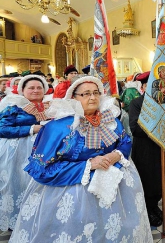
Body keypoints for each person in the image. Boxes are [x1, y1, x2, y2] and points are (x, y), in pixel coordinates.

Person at [9, 76, 152, 242]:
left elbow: (124, 141)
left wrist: (116, 154)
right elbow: (42, 169)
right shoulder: (59, 127)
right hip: (72, 192)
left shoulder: (109, 120)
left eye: (95, 93)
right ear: (74, 98)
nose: (92, 97)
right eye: (85, 94)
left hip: (113, 186)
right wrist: (89, 164)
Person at [0, 75, 50, 231]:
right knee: (19, 184)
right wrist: (30, 129)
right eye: (31, 88)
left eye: (39, 87)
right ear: (23, 90)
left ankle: (38, 218)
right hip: (18, 153)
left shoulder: (51, 106)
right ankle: (17, 220)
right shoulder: (14, 106)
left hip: (44, 152)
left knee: (40, 186)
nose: (35, 90)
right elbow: (2, 129)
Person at [129, 71, 165, 227]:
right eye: (152, 86)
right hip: (145, 151)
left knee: (161, 179)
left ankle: (155, 204)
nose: (157, 89)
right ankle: (148, 209)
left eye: (158, 86)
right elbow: (135, 128)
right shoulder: (136, 103)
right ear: (143, 87)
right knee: (148, 181)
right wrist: (157, 123)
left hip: (162, 149)